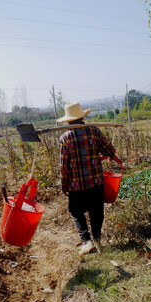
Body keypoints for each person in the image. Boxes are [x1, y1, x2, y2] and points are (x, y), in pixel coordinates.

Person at [58, 102, 121, 256]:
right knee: (96, 211)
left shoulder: (65, 138)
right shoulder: (94, 131)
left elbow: (64, 166)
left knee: (75, 211)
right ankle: (97, 240)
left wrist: (64, 185)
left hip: (76, 185)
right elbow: (110, 150)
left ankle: (87, 241)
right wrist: (108, 155)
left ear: (68, 120)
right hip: (96, 182)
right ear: (82, 117)